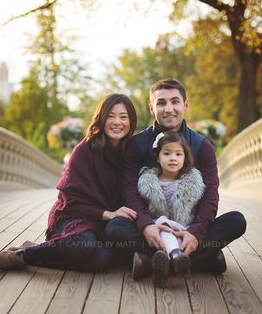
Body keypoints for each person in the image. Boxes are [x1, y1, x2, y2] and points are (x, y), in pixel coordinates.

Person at [105, 78, 246, 280]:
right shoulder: (136, 144)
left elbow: (210, 195)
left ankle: (149, 263)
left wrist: (196, 233)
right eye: (161, 103)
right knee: (115, 228)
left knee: (236, 221)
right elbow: (129, 189)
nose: (168, 108)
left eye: (175, 101)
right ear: (152, 108)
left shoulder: (202, 146)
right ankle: (200, 260)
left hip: (187, 226)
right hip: (152, 225)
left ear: (185, 105)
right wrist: (146, 225)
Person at [0, 93, 138, 274]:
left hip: (104, 224)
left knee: (102, 258)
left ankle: (40, 248)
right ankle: (17, 258)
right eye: (111, 116)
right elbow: (71, 202)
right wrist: (108, 214)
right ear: (101, 119)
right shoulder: (85, 150)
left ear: (131, 121)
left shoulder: (130, 152)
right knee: (85, 243)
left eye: (123, 117)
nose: (117, 122)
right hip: (72, 216)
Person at [136, 131, 205, 285]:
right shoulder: (148, 182)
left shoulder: (192, 182)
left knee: (234, 220)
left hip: (184, 230)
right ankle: (177, 258)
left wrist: (193, 231)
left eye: (178, 154)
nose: (173, 158)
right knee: (164, 229)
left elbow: (199, 211)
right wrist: (158, 225)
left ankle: (154, 264)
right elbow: (146, 212)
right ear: (158, 158)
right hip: (158, 232)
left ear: (184, 157)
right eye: (167, 153)